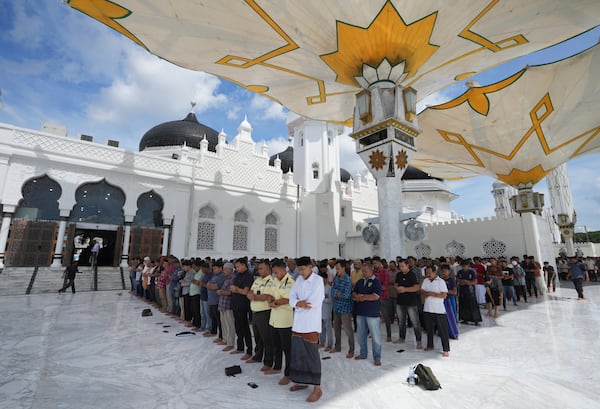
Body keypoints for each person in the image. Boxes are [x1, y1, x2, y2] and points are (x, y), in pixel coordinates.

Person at [288, 256, 324, 403]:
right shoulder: (298, 280)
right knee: (299, 354)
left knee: (312, 355)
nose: (301, 272)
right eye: (299, 269)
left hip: (310, 324)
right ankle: (302, 381)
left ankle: (317, 388)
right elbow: (291, 298)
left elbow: (314, 302)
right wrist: (298, 303)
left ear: (310, 267)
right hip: (298, 324)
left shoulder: (317, 280)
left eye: (303, 269)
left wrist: (299, 305)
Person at [266, 258, 295, 386]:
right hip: (274, 319)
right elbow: (270, 294)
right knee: (275, 345)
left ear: (284, 269)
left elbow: (288, 299)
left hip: (285, 320)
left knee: (287, 349)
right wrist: (270, 301)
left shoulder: (290, 281)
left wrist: (275, 302)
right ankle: (277, 366)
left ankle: (288, 373)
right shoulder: (274, 281)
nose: (275, 274)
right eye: (274, 272)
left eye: (277, 272)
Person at [352, 262, 382, 366]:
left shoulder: (375, 282)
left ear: (371, 271)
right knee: (361, 335)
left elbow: (376, 296)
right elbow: (354, 292)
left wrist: (363, 297)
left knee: (375, 336)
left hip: (372, 313)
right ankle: (363, 353)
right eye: (362, 271)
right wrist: (356, 296)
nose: (363, 273)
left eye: (365, 271)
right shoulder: (360, 281)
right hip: (360, 312)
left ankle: (377, 357)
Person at [246, 259, 274, 368]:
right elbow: (250, 292)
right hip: (255, 312)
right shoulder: (257, 280)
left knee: (266, 337)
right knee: (257, 336)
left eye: (261, 268)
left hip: (264, 312)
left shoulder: (271, 281)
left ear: (268, 269)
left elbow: (267, 296)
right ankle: (258, 356)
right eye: (258, 268)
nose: (259, 270)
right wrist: (252, 296)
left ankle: (268, 361)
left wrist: (255, 297)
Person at [421, 265, 450, 357]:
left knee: (443, 330)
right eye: (427, 273)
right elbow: (422, 291)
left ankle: (446, 349)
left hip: (439, 310)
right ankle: (430, 345)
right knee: (429, 329)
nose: (428, 274)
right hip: (427, 308)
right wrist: (427, 293)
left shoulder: (441, 282)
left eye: (430, 273)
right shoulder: (426, 281)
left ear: (435, 272)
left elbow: (444, 295)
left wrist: (432, 294)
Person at [394, 260, 422, 349]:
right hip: (400, 301)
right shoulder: (399, 274)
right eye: (400, 266)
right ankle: (401, 337)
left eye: (403, 266)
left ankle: (418, 341)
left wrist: (405, 289)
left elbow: (416, 287)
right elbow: (396, 284)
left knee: (415, 322)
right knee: (401, 321)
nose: (401, 268)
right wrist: (397, 288)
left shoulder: (412, 275)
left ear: (407, 265)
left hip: (411, 302)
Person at [230, 257, 254, 360]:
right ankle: (240, 347)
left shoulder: (249, 276)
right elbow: (232, 288)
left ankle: (249, 350)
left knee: (245, 327)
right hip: (235, 304)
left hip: (243, 305)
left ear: (244, 265)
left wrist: (236, 289)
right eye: (236, 267)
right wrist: (235, 289)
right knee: (238, 326)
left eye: (238, 266)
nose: (237, 268)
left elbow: (245, 291)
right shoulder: (237, 275)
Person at [330, 259, 354, 358]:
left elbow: (347, 295)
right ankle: (337, 346)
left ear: (344, 268)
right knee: (336, 329)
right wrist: (337, 293)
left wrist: (338, 293)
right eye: (336, 269)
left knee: (348, 331)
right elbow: (332, 291)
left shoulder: (347, 279)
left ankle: (351, 349)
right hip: (336, 307)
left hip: (345, 309)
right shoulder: (336, 278)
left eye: (338, 268)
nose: (337, 270)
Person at [372, 257, 393, 342]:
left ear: (379, 263)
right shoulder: (373, 272)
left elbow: (385, 286)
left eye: (375, 263)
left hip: (383, 297)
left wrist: (376, 288)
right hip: (374, 298)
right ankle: (374, 333)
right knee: (374, 317)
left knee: (386, 317)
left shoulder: (385, 272)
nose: (374, 265)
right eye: (373, 263)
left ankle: (389, 335)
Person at [456, 260, 482, 325]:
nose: (464, 267)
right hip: (462, 290)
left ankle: (476, 320)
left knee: (472, 305)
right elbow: (457, 280)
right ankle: (465, 319)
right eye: (463, 266)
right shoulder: (460, 272)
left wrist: (467, 282)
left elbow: (475, 281)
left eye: (465, 266)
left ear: (468, 266)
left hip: (470, 291)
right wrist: (461, 281)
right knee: (463, 305)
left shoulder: (472, 272)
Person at [217, 262, 236, 351]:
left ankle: (230, 342)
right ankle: (225, 339)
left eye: (225, 269)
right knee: (223, 323)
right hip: (222, 303)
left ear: (230, 269)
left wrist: (222, 292)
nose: (224, 271)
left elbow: (232, 292)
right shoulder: (226, 278)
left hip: (228, 304)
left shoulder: (233, 278)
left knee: (229, 324)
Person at [440, 264, 459, 340]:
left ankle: (454, 333)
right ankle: (444, 332)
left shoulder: (451, 280)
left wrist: (445, 291)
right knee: (442, 317)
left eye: (445, 271)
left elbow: (454, 292)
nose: (444, 273)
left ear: (449, 271)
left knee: (451, 317)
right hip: (441, 300)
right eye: (442, 271)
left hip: (449, 300)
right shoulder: (439, 280)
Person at [319, 272, 333, 352]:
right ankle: (322, 342)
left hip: (327, 311)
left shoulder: (329, 288)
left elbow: (330, 300)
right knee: (321, 329)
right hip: (319, 312)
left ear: (327, 279)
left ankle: (330, 344)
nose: (323, 281)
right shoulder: (318, 288)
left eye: (324, 279)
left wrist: (322, 299)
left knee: (328, 329)